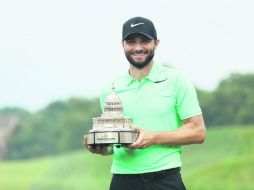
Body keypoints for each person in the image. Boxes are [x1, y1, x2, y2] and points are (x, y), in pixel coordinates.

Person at [84, 16, 206, 190]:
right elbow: (113, 146)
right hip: (122, 181)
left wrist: (153, 137)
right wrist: (100, 147)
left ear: (156, 43)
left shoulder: (177, 80)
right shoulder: (110, 89)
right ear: (123, 45)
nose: (138, 47)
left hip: (165, 179)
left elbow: (198, 132)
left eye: (145, 41)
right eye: (131, 42)